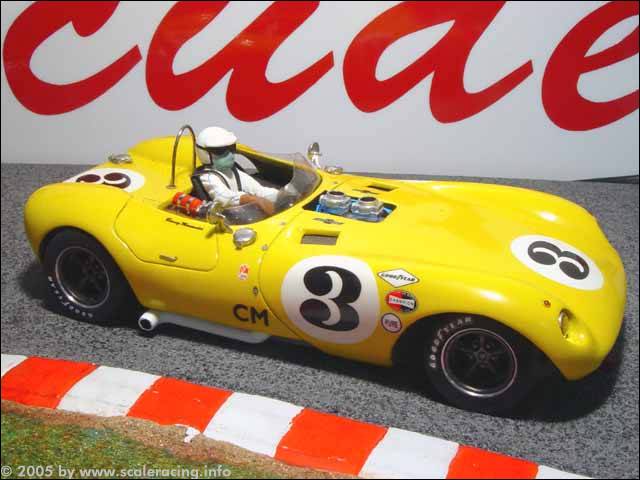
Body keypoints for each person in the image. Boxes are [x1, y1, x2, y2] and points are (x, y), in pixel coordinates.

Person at [194, 127, 278, 215]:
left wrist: (281, 195)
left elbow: (258, 190)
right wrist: (252, 200)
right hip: (226, 218)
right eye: (220, 151)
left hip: (242, 215)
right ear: (205, 154)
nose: (229, 154)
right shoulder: (208, 177)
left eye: (231, 148)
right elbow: (224, 198)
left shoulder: (233, 171)